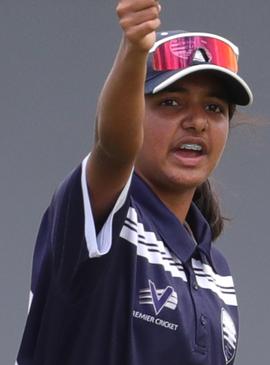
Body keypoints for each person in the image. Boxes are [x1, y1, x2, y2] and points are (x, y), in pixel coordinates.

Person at [17, 1, 253, 364]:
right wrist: (134, 48)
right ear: (132, 111)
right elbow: (113, 148)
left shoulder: (216, 272)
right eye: (171, 102)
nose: (197, 122)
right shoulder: (103, 217)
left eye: (214, 108)